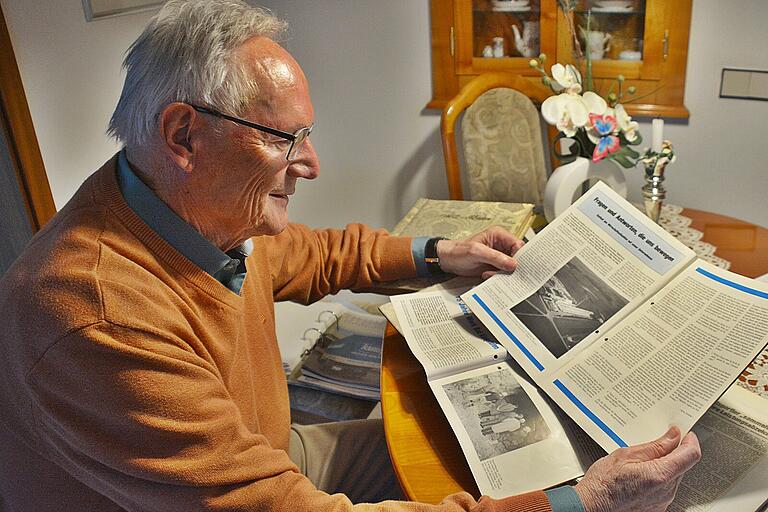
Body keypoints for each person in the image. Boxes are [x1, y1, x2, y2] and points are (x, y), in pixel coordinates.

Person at [0, 1, 700, 511]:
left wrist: (436, 252)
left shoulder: (189, 209)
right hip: (228, 491)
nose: (311, 163)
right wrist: (580, 506)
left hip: (266, 451)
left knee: (466, 450)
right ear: (184, 136)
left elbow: (309, 255)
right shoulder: (98, 319)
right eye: (286, 137)